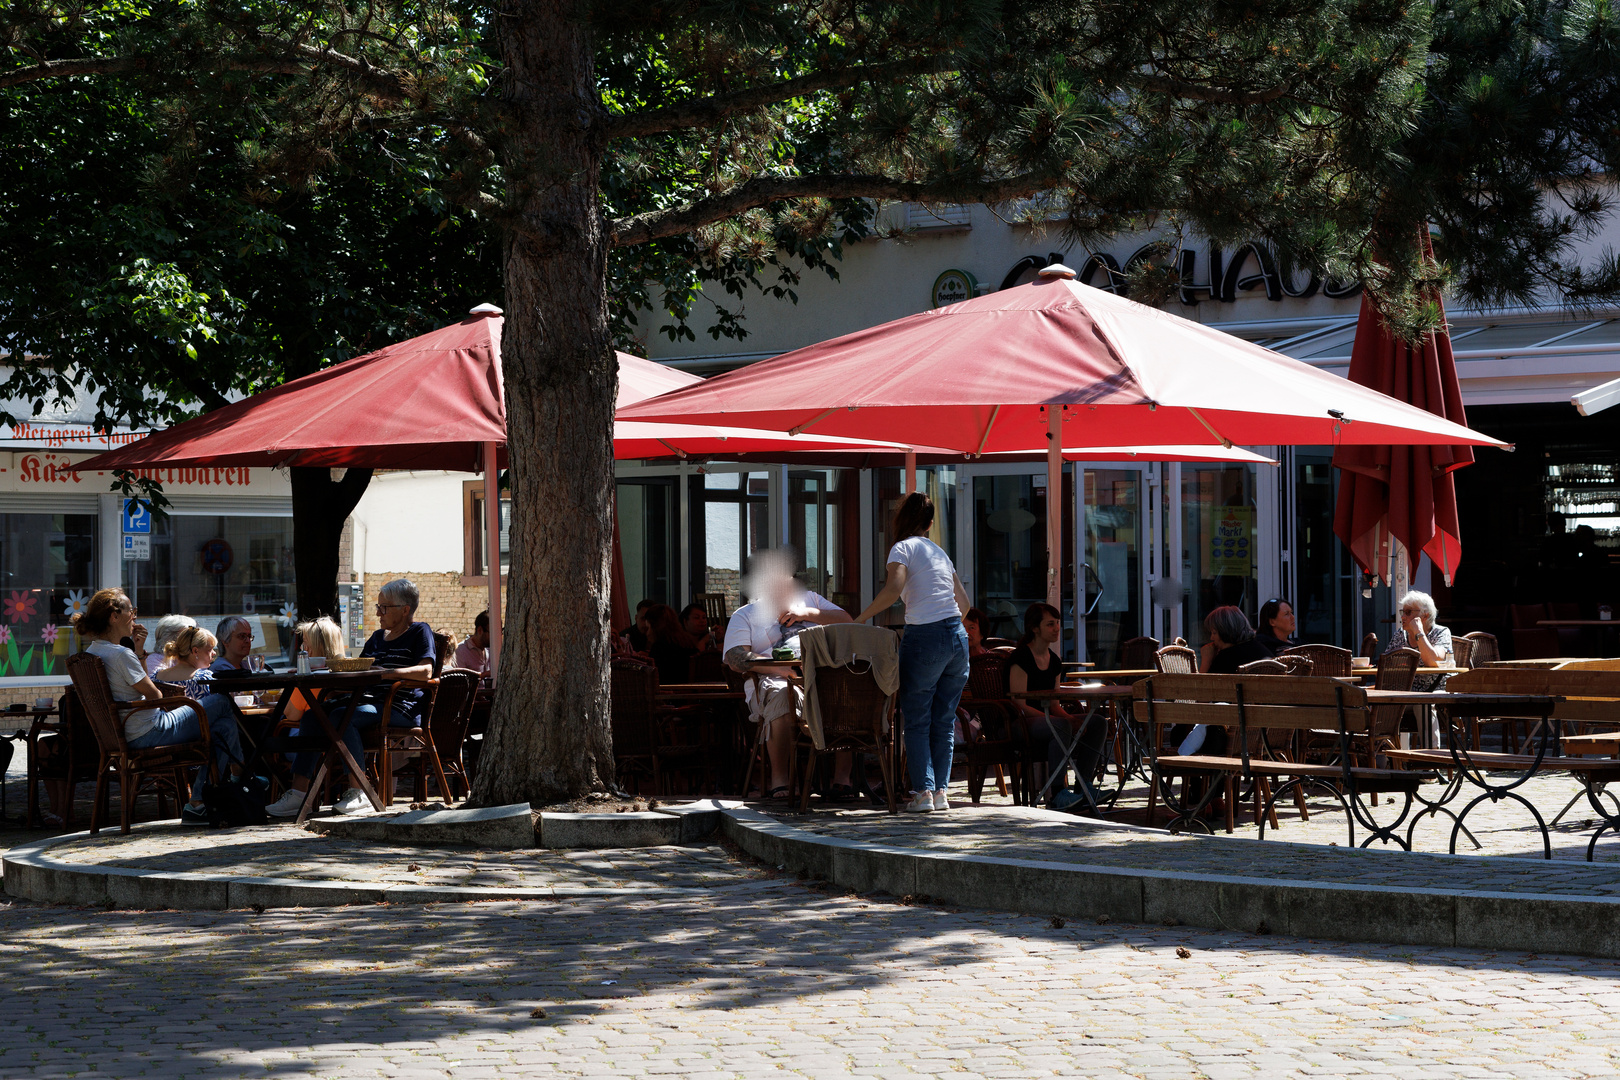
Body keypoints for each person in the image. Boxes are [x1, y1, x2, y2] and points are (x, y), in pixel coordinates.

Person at [264, 578, 436, 818]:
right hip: (366, 702)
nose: (378, 612)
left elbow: (426, 671)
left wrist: (384, 674)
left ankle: (359, 792)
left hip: (398, 707)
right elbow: (357, 670)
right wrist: (315, 668)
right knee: (314, 715)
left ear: (405, 609)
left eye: (384, 607)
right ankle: (298, 793)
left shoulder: (419, 631)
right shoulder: (377, 637)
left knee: (341, 717)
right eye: (378, 606)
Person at [74, 589, 242, 825]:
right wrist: (136, 655)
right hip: (151, 731)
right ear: (114, 616)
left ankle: (200, 803)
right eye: (131, 611)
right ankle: (237, 777)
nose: (134, 616)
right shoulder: (122, 654)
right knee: (222, 701)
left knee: (222, 728)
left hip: (123, 734)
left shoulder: (92, 651)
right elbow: (155, 694)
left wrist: (139, 652)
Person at [855, 492, 970, 813]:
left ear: (900, 518)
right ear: (930, 524)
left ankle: (923, 794)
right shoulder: (939, 552)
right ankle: (941, 793)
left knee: (916, 720)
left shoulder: (902, 548)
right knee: (943, 721)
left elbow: (893, 590)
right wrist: (948, 630)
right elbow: (965, 604)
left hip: (925, 635)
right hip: (957, 637)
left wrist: (860, 618)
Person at [723, 550, 854, 801]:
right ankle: (780, 779)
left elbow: (847, 622)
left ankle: (842, 779)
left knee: (845, 693)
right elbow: (735, 658)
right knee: (782, 694)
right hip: (776, 679)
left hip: (819, 678)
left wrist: (807, 614)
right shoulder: (746, 614)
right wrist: (779, 669)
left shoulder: (811, 600)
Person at [1006, 602, 1105, 811]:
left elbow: (1054, 703)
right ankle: (1057, 792)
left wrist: (1072, 719)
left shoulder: (1054, 660)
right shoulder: (1021, 657)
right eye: (1050, 624)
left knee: (1096, 722)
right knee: (1061, 726)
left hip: (1046, 721)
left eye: (1058, 623)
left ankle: (1083, 787)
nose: (1057, 628)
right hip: (1019, 722)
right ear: (1035, 628)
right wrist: (1058, 721)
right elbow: (1019, 703)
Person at [283, 616, 347, 726]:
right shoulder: (348, 677)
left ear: (309, 650)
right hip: (340, 736)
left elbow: (291, 715)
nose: (302, 647)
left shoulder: (307, 681)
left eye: (304, 643)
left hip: (309, 737)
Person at [1385, 590, 1454, 667]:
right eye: (1402, 612)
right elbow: (1385, 663)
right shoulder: (1400, 634)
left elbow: (1434, 662)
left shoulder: (1441, 632)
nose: (1402, 617)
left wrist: (1418, 632)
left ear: (1425, 616)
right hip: (1407, 679)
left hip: (1437, 679)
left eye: (1408, 612)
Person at [645, 603, 700, 685]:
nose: (647, 633)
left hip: (667, 693)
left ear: (655, 627)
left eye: (648, 628)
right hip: (690, 692)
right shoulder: (687, 643)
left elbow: (653, 678)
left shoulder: (659, 648)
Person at [452, 610, 491, 674]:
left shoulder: (492, 649)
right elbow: (460, 681)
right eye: (493, 632)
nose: (496, 637)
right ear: (480, 630)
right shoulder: (460, 651)